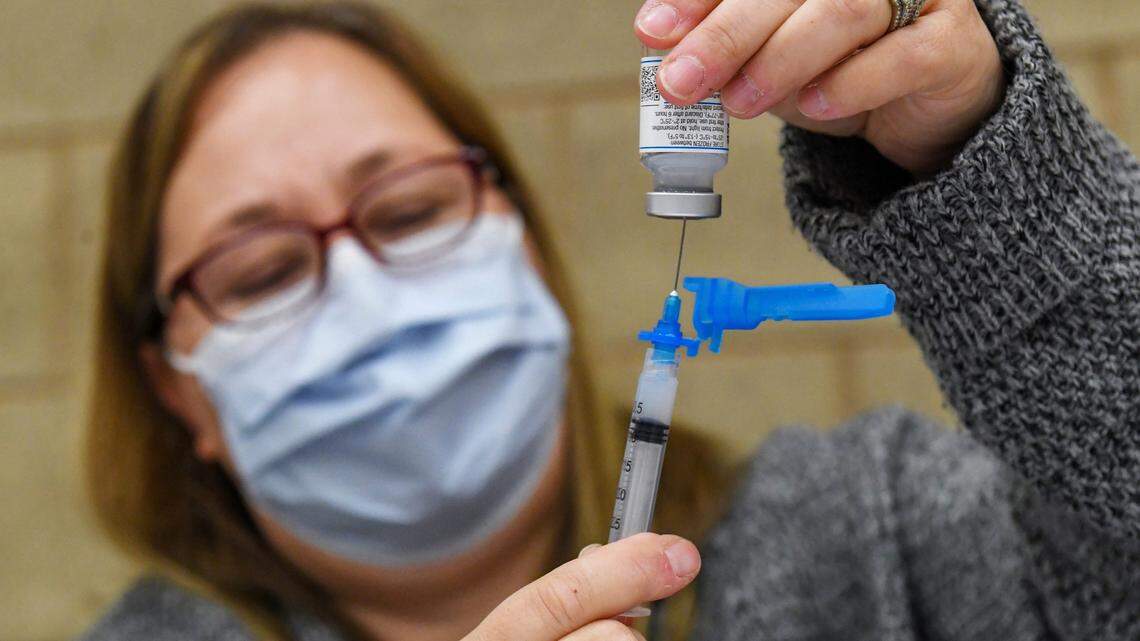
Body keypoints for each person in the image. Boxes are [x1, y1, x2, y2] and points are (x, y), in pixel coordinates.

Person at [81, 0, 1138, 640]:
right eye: (261, 271)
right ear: (176, 387)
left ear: (523, 233)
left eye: (408, 210)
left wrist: (1001, 176)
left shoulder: (872, 540)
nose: (363, 291)